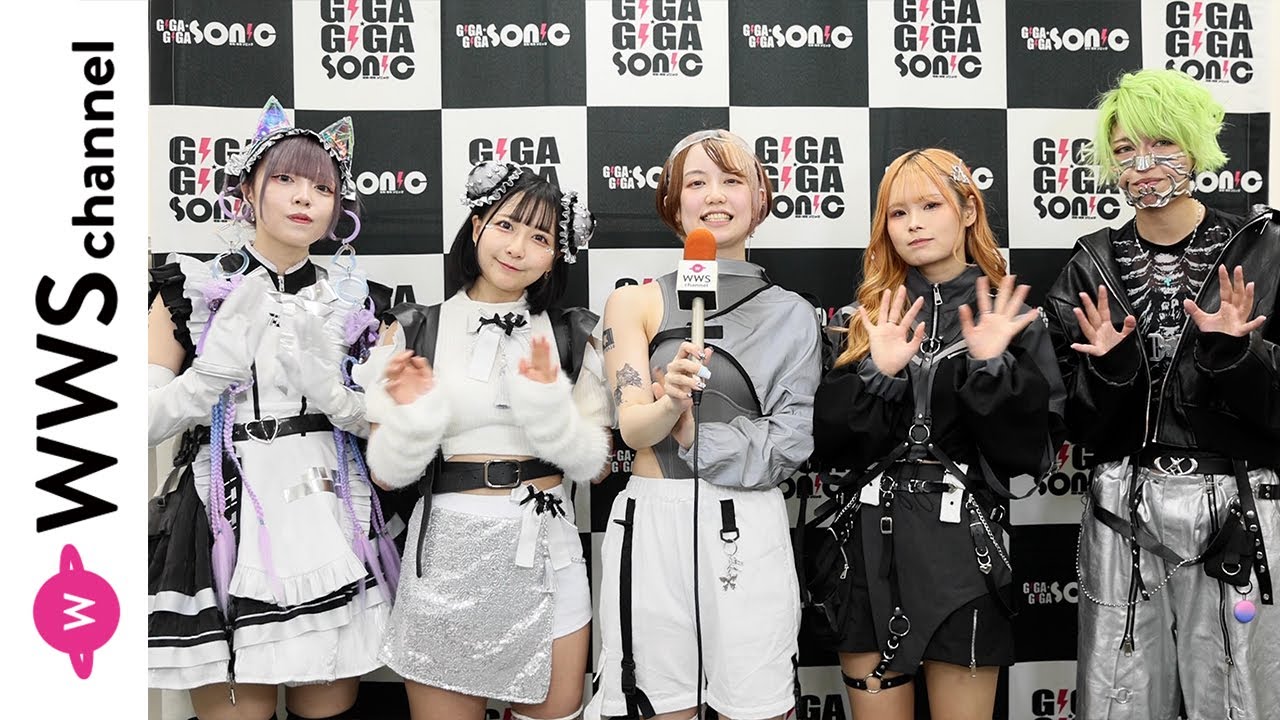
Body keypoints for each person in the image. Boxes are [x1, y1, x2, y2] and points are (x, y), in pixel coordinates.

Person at [147, 96, 397, 720]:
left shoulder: (360, 303)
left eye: (322, 186)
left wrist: (339, 398)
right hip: (224, 511)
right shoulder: (188, 289)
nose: (304, 197)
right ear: (246, 190)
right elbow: (136, 424)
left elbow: (392, 433)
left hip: (329, 506)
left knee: (327, 709)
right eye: (284, 178)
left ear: (339, 207)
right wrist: (206, 379)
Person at [1044, 67, 1280, 720]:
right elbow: (1075, 426)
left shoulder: (1265, 251)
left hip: (1238, 502)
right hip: (1124, 500)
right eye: (1125, 149)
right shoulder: (1089, 264)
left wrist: (1237, 355)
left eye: (1162, 144)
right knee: (1117, 695)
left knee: (1240, 696)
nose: (1143, 165)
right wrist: (1112, 370)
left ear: (1195, 147)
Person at [812, 148, 1066, 720]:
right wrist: (878, 373)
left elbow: (1029, 457)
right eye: (898, 213)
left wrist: (991, 369)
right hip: (866, 552)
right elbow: (829, 450)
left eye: (931, 206)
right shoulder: (860, 318)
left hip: (964, 554)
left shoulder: (1010, 315)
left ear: (968, 211)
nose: (914, 224)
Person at [361, 161, 611, 720]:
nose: (518, 248)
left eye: (540, 237)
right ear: (476, 226)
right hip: (445, 556)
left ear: (556, 256)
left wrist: (547, 406)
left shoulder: (574, 333)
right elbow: (386, 475)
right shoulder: (413, 327)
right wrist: (417, 413)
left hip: (546, 552)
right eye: (506, 225)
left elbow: (596, 467)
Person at [587, 129, 822, 720]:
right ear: (673, 203)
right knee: (657, 705)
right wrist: (670, 404)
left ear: (761, 198)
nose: (715, 195)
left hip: (748, 524)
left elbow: (790, 441)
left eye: (732, 180)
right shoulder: (634, 302)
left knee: (759, 708)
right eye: (696, 182)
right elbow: (634, 429)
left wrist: (696, 437)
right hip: (651, 523)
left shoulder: (793, 313)